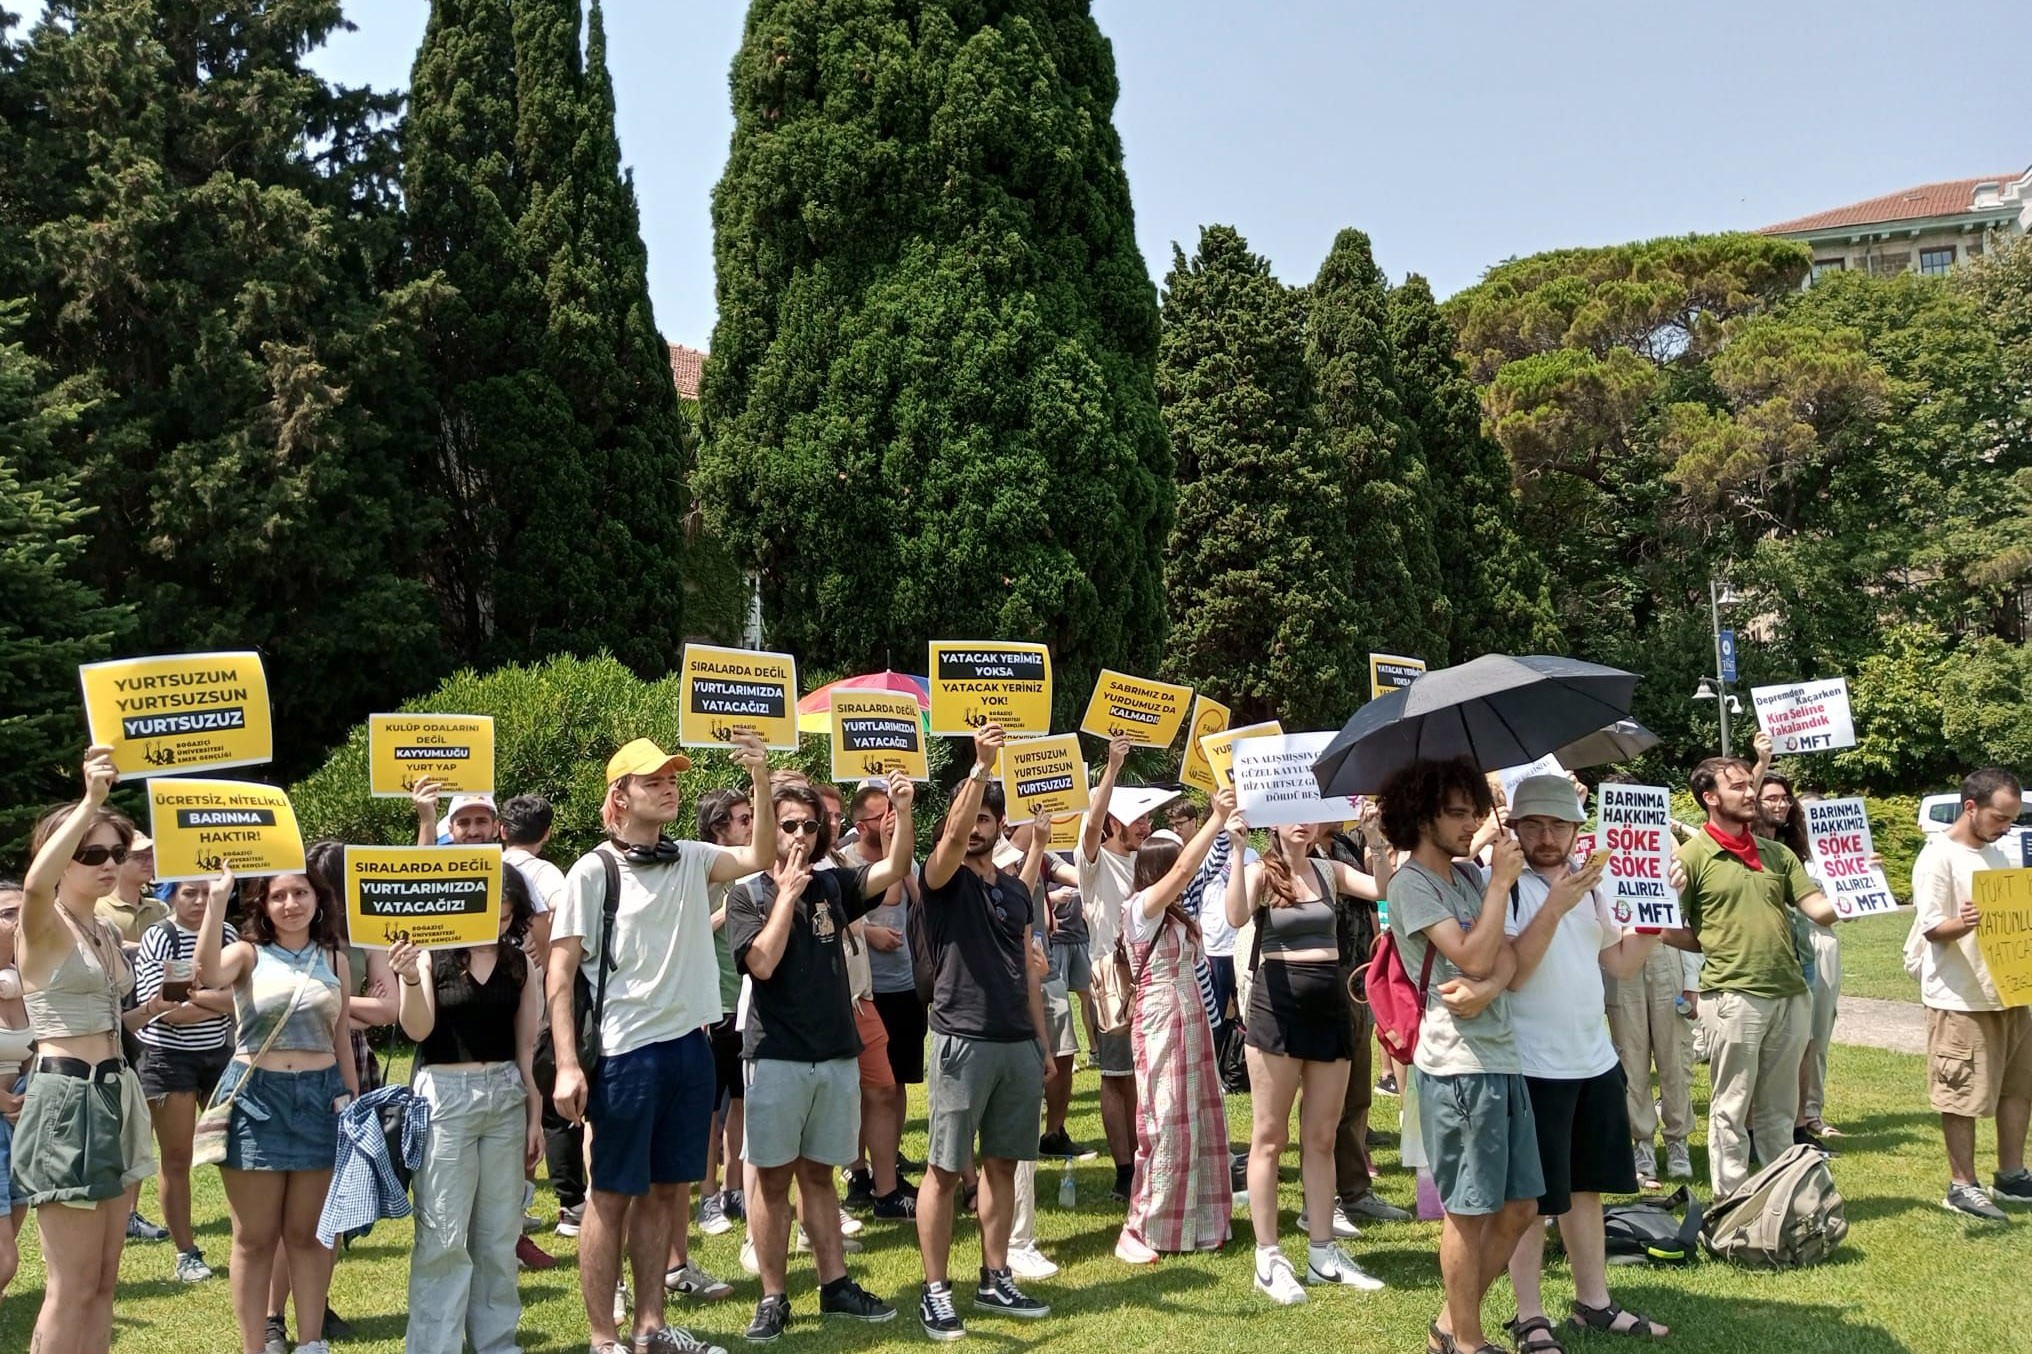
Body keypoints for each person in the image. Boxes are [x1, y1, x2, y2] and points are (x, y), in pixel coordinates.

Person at [548, 734, 776, 1354]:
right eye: (653, 781)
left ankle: (651, 1329)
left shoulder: (693, 857)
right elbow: (560, 972)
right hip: (625, 1054)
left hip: (690, 1047)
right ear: (618, 797)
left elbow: (761, 853)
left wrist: (758, 776)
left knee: (667, 1192)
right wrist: (567, 1064)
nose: (669, 787)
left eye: (672, 779)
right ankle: (604, 1339)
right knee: (612, 1195)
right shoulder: (593, 870)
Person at [727, 776, 916, 1340]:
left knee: (819, 1175)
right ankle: (773, 1297)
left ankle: (834, 1285)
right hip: (778, 1055)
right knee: (770, 1181)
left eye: (811, 827)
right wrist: (785, 895)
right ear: (771, 830)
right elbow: (760, 963)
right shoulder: (748, 893)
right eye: (789, 827)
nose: (802, 837)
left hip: (835, 1053)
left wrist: (901, 814)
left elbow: (893, 870)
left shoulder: (835, 884)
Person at [1498, 776, 1673, 1349]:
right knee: (1530, 1199)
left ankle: (1593, 1302)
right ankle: (1529, 1314)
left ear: (1577, 829)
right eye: (1533, 825)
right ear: (1514, 828)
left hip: (1593, 1057)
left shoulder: (1597, 885)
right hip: (1531, 1062)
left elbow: (1619, 963)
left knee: (1586, 1188)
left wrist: (1655, 919)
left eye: (1558, 825)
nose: (1547, 837)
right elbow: (1515, 974)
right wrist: (1557, 901)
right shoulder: (1502, 887)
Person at [1380, 757, 1541, 1354]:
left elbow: (1507, 960)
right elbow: (1474, 954)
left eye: (1474, 809)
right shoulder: (1412, 884)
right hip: (1455, 1066)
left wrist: (1490, 984)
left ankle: (1450, 1323)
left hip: (1501, 1055)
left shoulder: (1468, 878)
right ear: (1421, 816)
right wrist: (1499, 885)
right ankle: (1467, 1342)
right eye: (1456, 812)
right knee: (1469, 1212)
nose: (1471, 822)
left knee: (1521, 1205)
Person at [11, 749, 158, 1354]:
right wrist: (92, 801)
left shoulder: (102, 928)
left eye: (116, 854)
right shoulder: (42, 923)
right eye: (92, 854)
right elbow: (34, 884)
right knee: (69, 1287)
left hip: (115, 1090)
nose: (109, 864)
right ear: (62, 856)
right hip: (65, 1096)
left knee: (103, 1282)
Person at [915, 723, 1053, 1341]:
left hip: (1015, 1042)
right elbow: (947, 840)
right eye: (967, 817)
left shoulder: (1017, 894)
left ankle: (995, 1275)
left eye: (987, 819)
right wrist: (981, 767)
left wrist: (1042, 1046)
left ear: (1001, 825)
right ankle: (934, 1290)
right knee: (946, 1170)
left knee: (1003, 1165)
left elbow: (1028, 972)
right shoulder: (940, 878)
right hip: (960, 1037)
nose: (974, 828)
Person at [196, 862, 361, 1354]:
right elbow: (206, 974)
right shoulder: (247, 953)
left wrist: (352, 1106)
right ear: (262, 906)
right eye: (278, 896)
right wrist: (214, 899)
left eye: (300, 893)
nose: (290, 904)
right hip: (256, 1098)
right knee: (255, 1238)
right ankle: (254, 1346)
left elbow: (341, 1038)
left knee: (309, 1234)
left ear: (317, 899)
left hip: (321, 1097)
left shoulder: (334, 958)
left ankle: (311, 1342)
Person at [1226, 813, 1388, 1303]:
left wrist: (1377, 836)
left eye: (1308, 815)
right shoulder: (1260, 871)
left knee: (1321, 1135)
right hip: (1277, 1007)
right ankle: (1268, 1256)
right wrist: (1237, 850)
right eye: (1289, 815)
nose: (1301, 823)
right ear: (1272, 823)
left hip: (1329, 1005)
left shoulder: (1330, 871)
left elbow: (1383, 889)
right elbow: (1234, 916)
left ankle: (1322, 1253)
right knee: (1270, 1137)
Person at [1660, 756, 1839, 1196]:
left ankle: (1782, 1201)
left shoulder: (1777, 853)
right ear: (1710, 798)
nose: (1750, 793)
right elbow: (1661, 927)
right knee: (1732, 1108)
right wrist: (1708, 940)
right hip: (1733, 997)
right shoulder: (1691, 856)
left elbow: (1819, 910)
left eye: (1748, 785)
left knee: (1780, 1109)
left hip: (1792, 994)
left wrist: (1856, 884)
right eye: (1737, 786)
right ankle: (1732, 1204)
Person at [389, 866, 546, 1354]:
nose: (494, 926)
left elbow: (527, 1049)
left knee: (499, 1234)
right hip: (443, 1095)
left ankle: (497, 1343)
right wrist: (410, 979)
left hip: (504, 1096)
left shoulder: (520, 963)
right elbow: (418, 1030)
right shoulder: (432, 957)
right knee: (444, 1235)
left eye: (504, 917)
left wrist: (535, 1117)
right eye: (486, 915)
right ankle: (435, 1346)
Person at [1114, 788, 1238, 1263]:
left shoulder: (1175, 915)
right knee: (1163, 1120)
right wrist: (1217, 816)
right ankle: (1140, 1227)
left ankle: (1197, 1222)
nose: (1179, 878)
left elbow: (1197, 870)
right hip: (1161, 1018)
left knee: (1199, 1117)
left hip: (1191, 1020)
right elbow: (1189, 868)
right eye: (1172, 868)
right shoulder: (1141, 909)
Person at [1909, 767, 2032, 1220]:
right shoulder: (1937, 857)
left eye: (2012, 819)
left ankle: (2012, 1175)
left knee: (2018, 1088)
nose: (2006, 827)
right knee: (1959, 1092)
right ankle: (1962, 1185)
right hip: (1961, 998)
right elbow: (1932, 929)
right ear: (1971, 807)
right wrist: (1966, 923)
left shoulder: (1998, 855)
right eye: (2000, 818)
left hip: (2010, 991)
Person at [133, 877, 240, 1282]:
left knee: (233, 1151)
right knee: (177, 1158)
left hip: (218, 1054)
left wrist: (195, 1000)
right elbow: (165, 1014)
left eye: (206, 892)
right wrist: (219, 1002)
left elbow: (244, 998)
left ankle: (248, 1241)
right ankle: (186, 1253)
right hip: (166, 1057)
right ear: (172, 895)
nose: (198, 900)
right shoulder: (159, 936)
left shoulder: (228, 934)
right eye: (188, 892)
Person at [1076, 735, 1158, 1199]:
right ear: (1113, 824)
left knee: (1144, 1075)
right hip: (1113, 978)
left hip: (1153, 974)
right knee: (1117, 1076)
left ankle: (1145, 1158)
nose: (1145, 827)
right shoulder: (1095, 860)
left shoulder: (1150, 861)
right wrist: (1111, 766)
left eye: (1148, 818)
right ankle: (1124, 1171)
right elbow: (1090, 827)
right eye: (1137, 819)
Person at [1324, 813, 1412, 1228]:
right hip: (1317, 989)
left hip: (1355, 979)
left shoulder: (1342, 847)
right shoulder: (1289, 859)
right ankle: (1322, 1199)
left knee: (1358, 1096)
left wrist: (1376, 839)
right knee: (1325, 1103)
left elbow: (1382, 890)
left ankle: (1355, 1191)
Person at [842, 779, 921, 1220]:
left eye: (893, 810)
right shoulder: (845, 862)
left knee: (895, 1084)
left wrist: (899, 847)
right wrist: (868, 931)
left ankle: (888, 1164)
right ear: (860, 825)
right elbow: (884, 894)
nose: (889, 817)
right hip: (862, 991)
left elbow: (913, 895)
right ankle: (858, 1172)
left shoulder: (903, 855)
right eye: (880, 814)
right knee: (863, 1089)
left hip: (902, 985)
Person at [1759, 774, 1845, 1149]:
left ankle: (1799, 1125)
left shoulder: (1794, 851)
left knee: (1806, 1042)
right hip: (1764, 956)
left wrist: (1860, 875)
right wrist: (1760, 762)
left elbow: (1821, 912)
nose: (1781, 805)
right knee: (1761, 1049)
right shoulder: (1748, 845)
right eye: (1771, 798)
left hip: (1803, 954)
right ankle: (1755, 1128)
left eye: (1785, 799)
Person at [696, 787, 756, 1240]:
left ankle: (735, 1188)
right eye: (742, 818)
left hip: (748, 1003)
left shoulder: (754, 865)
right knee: (706, 1111)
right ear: (720, 827)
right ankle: (707, 1197)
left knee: (742, 1101)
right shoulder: (705, 869)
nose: (751, 824)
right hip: (712, 1004)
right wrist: (724, 913)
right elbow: (686, 927)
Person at [0, 879, 35, 1307]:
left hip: (20, 1124)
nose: (21, 922)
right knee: (5, 1259)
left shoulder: (26, 978)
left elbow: (30, 1052)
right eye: (9, 913)